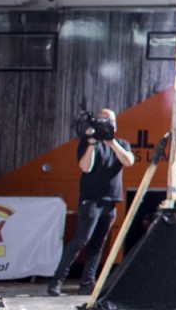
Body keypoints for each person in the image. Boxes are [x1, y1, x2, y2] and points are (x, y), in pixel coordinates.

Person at [47, 108, 136, 295]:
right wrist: (92, 144)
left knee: (98, 244)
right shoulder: (88, 143)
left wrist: (111, 141)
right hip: (91, 200)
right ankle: (57, 280)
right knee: (81, 239)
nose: (107, 124)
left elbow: (128, 161)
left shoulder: (122, 144)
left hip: (110, 201)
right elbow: (85, 167)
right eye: (103, 121)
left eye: (110, 121)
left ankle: (87, 282)